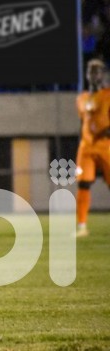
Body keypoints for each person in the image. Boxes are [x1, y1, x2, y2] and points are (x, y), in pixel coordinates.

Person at [74, 58, 110, 237]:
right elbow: (84, 122)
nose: (94, 75)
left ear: (103, 74)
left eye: (97, 71)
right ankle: (81, 227)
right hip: (86, 148)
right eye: (91, 71)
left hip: (106, 146)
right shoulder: (81, 98)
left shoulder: (108, 94)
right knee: (83, 184)